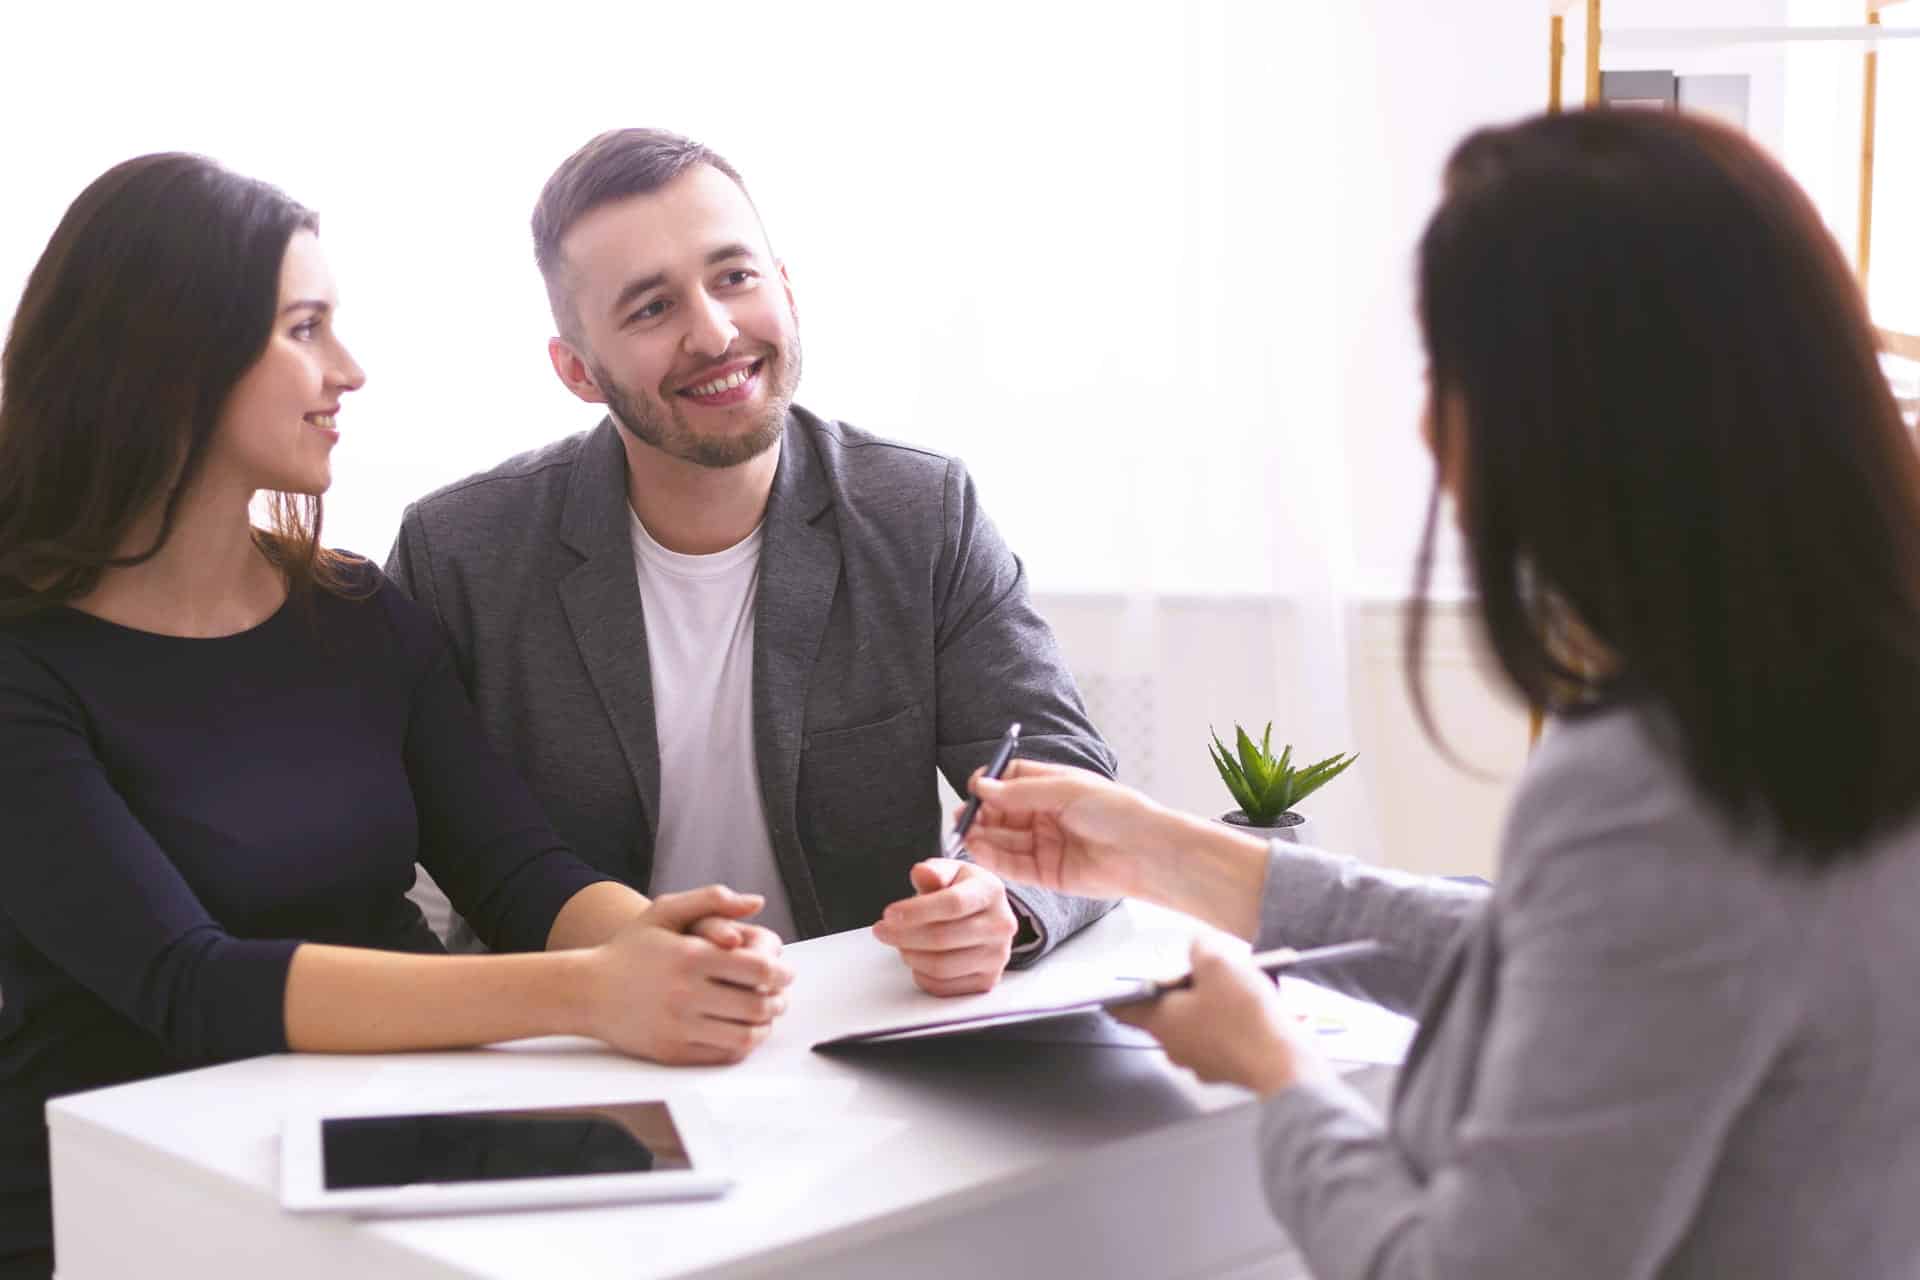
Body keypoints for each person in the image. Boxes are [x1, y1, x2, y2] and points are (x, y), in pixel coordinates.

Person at [956, 109, 1920, 1278]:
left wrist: (1276, 1070)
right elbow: (1593, 960)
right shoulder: (1832, 694)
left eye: (1452, 372)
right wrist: (1165, 853)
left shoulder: (1654, 784)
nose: (1427, 423)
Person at [0, 154, 794, 1278]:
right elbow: (195, 983)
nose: (350, 370)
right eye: (305, 328)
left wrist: (664, 941)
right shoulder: (22, 667)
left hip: (380, 1143)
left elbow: (521, 872)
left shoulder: (356, 611)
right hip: (125, 1201)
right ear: (170, 360)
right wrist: (588, 993)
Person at [387, 129, 1115, 994]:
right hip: (575, 1045)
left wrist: (1003, 904)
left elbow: (1064, 777)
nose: (716, 332)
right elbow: (392, 850)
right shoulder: (459, 553)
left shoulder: (920, 513)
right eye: (651, 308)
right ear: (577, 369)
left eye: (735, 277)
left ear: (788, 291)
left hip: (853, 1027)